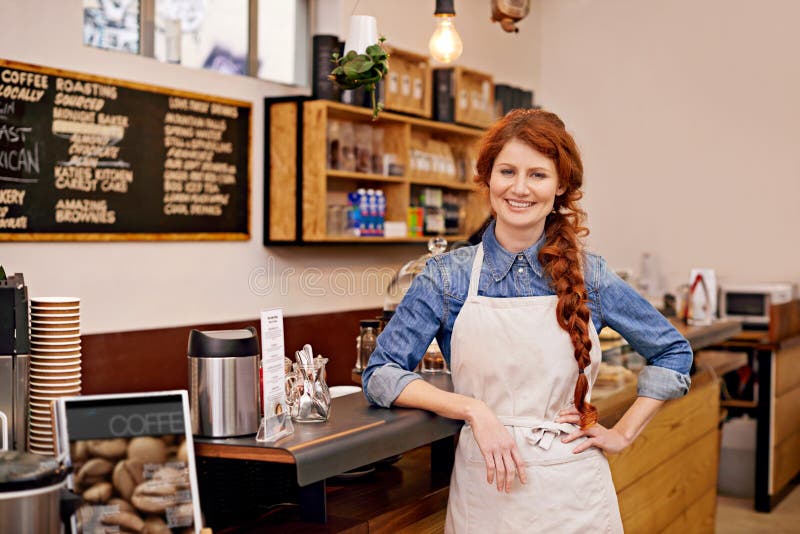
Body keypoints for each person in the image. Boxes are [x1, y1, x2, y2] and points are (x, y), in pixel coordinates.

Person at [361, 108, 693, 533]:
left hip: (574, 498)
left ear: (561, 187)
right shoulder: (447, 277)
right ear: (486, 179)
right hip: (485, 494)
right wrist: (474, 410)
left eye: (538, 175)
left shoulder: (591, 276)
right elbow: (381, 373)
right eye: (507, 171)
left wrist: (624, 433)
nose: (520, 188)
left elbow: (672, 351)